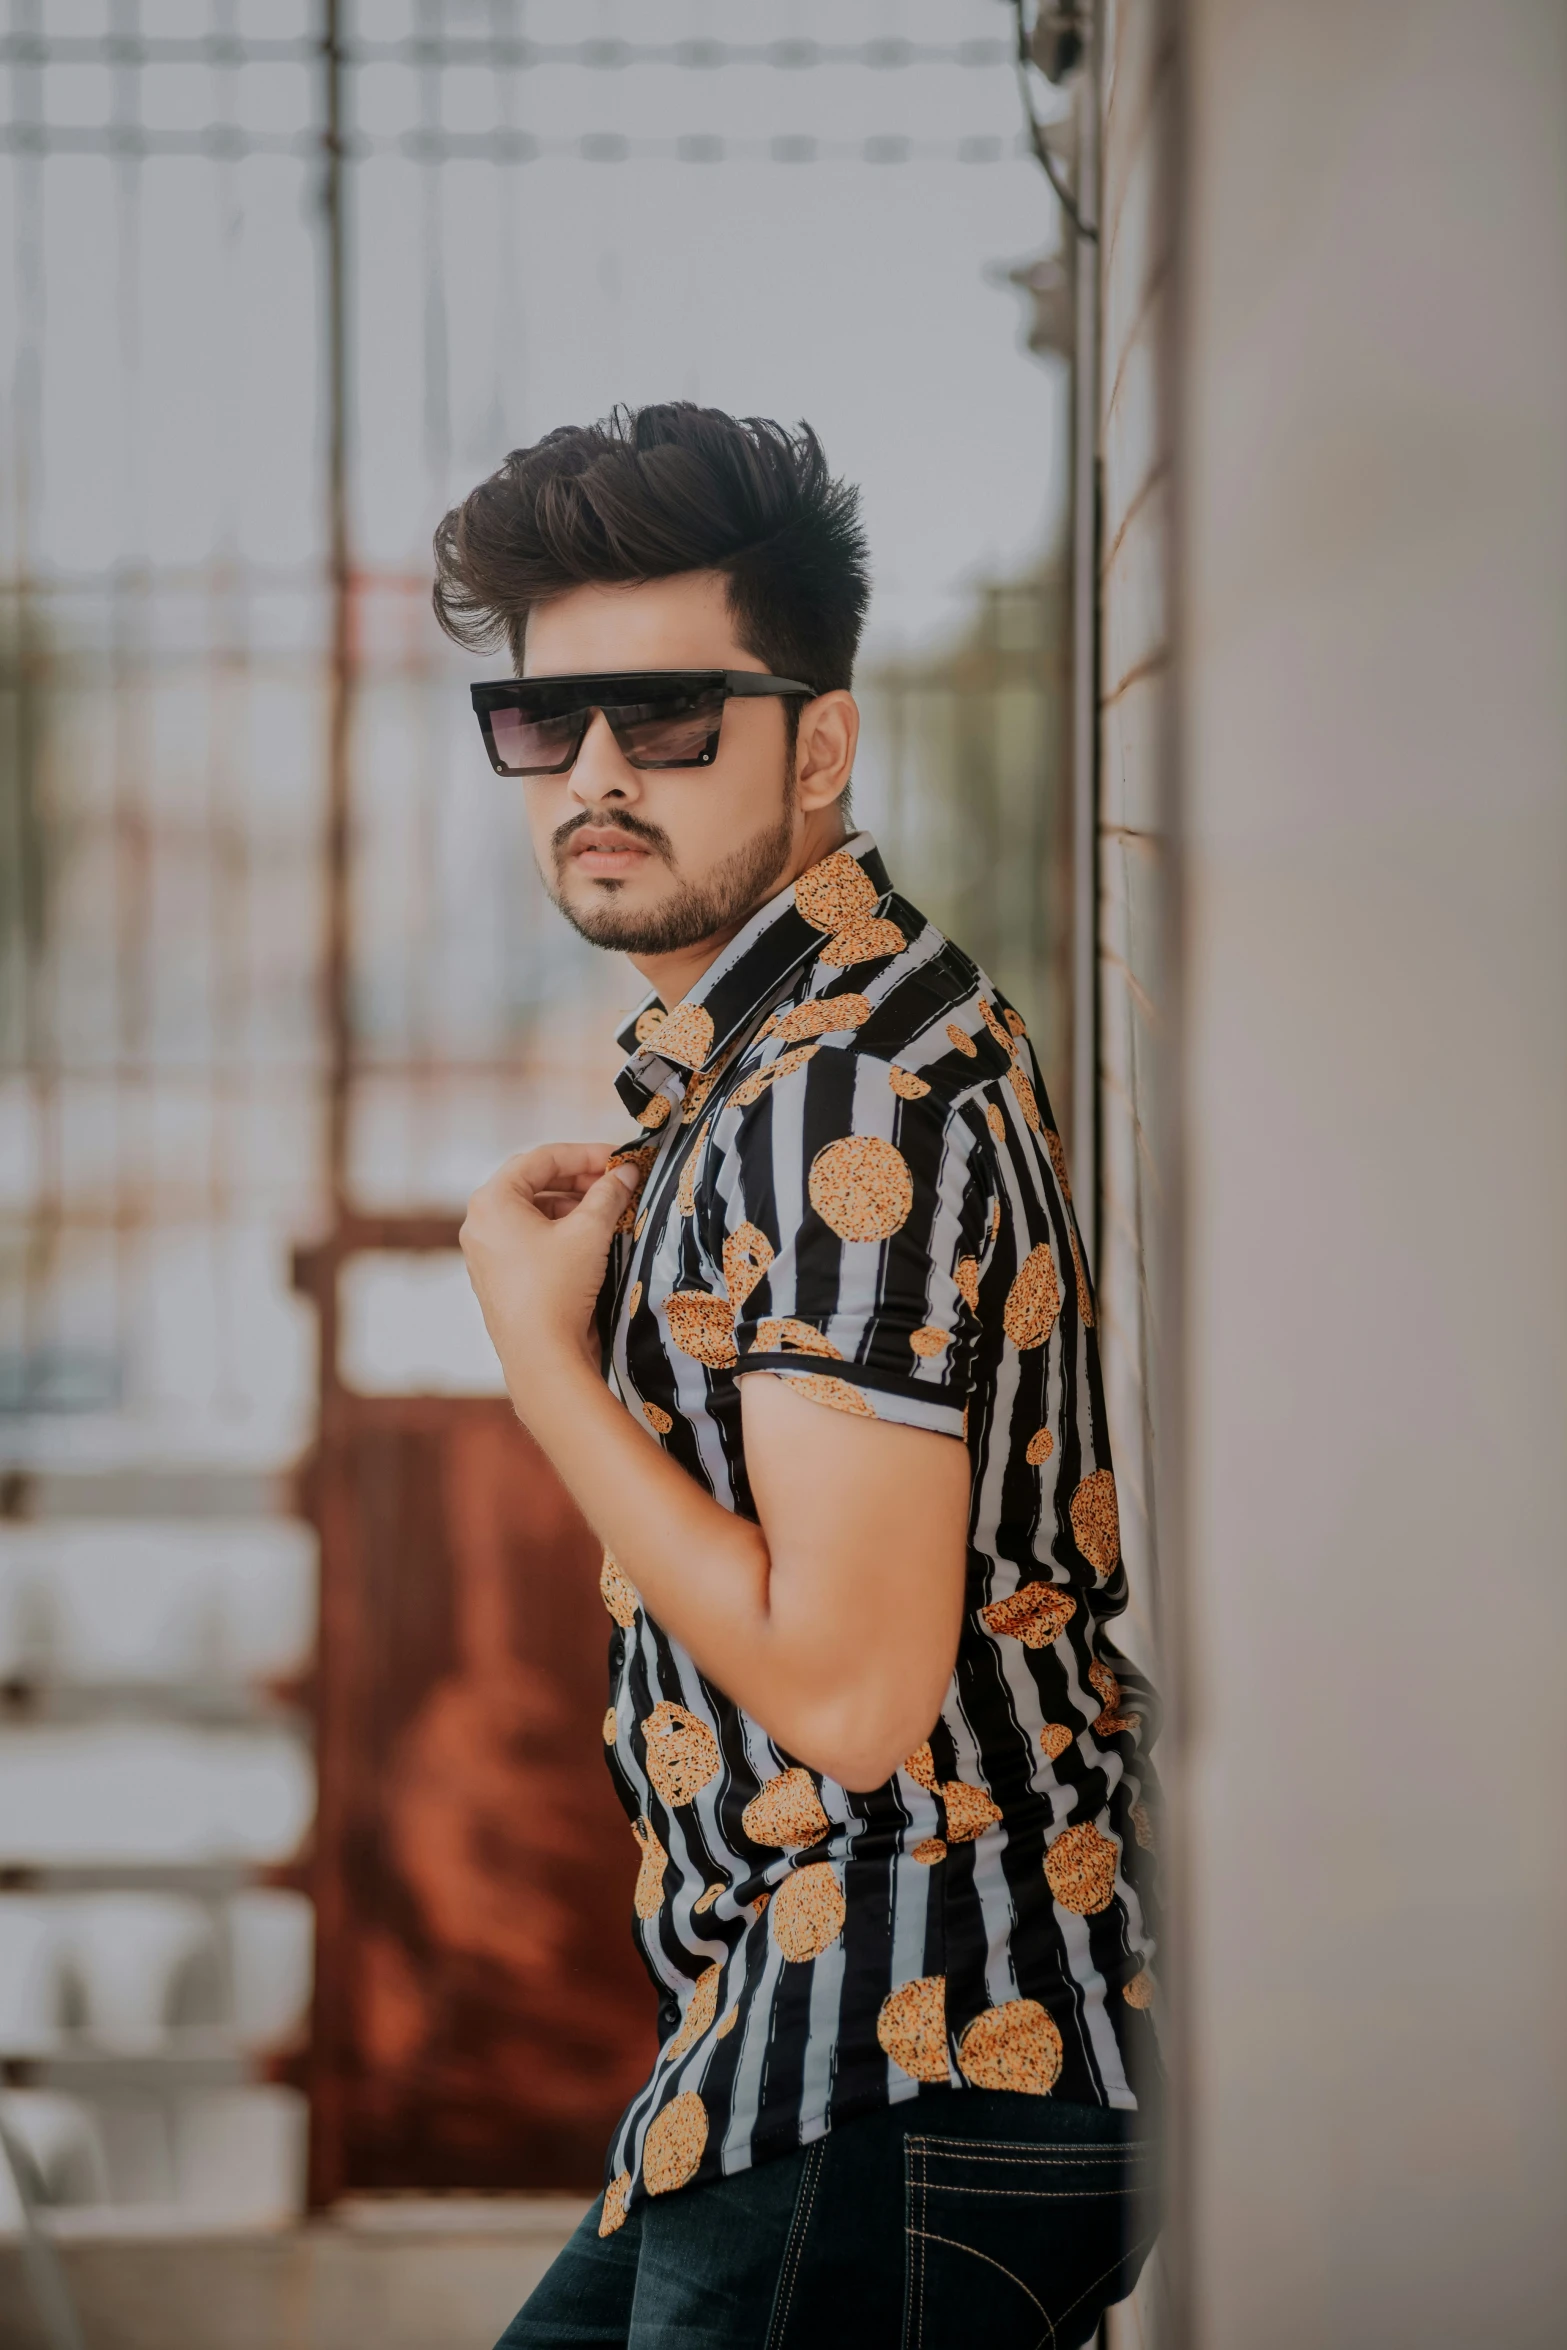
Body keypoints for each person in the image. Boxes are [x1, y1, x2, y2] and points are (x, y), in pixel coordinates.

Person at [439, 404, 1161, 2350]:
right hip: (814, 2042)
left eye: (669, 716)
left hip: (917, 2040)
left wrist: (536, 1359)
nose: (594, 772)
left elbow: (849, 1689)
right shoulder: (784, 1055)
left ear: (816, 742)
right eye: (543, 720)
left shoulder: (842, 1086)